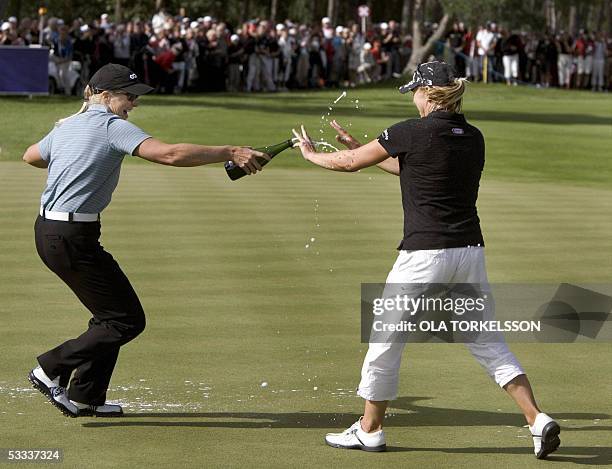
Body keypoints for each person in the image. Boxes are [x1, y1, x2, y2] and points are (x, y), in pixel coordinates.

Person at [291, 61, 560, 459]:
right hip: (469, 252)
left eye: (416, 91)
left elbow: (352, 165)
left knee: (385, 339)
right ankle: (537, 419)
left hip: (424, 255)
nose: (413, 97)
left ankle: (370, 429)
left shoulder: (409, 132)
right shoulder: (472, 136)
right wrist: (357, 147)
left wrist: (312, 154)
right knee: (487, 340)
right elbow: (410, 169)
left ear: (427, 93)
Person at [23, 63, 267, 418]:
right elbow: (169, 154)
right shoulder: (111, 127)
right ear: (105, 97)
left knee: (109, 315)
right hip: (71, 236)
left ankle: (86, 395)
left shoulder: (68, 126)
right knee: (124, 320)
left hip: (52, 231)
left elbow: (31, 155)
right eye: (129, 97)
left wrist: (74, 160)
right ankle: (50, 368)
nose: (133, 104)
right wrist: (229, 151)